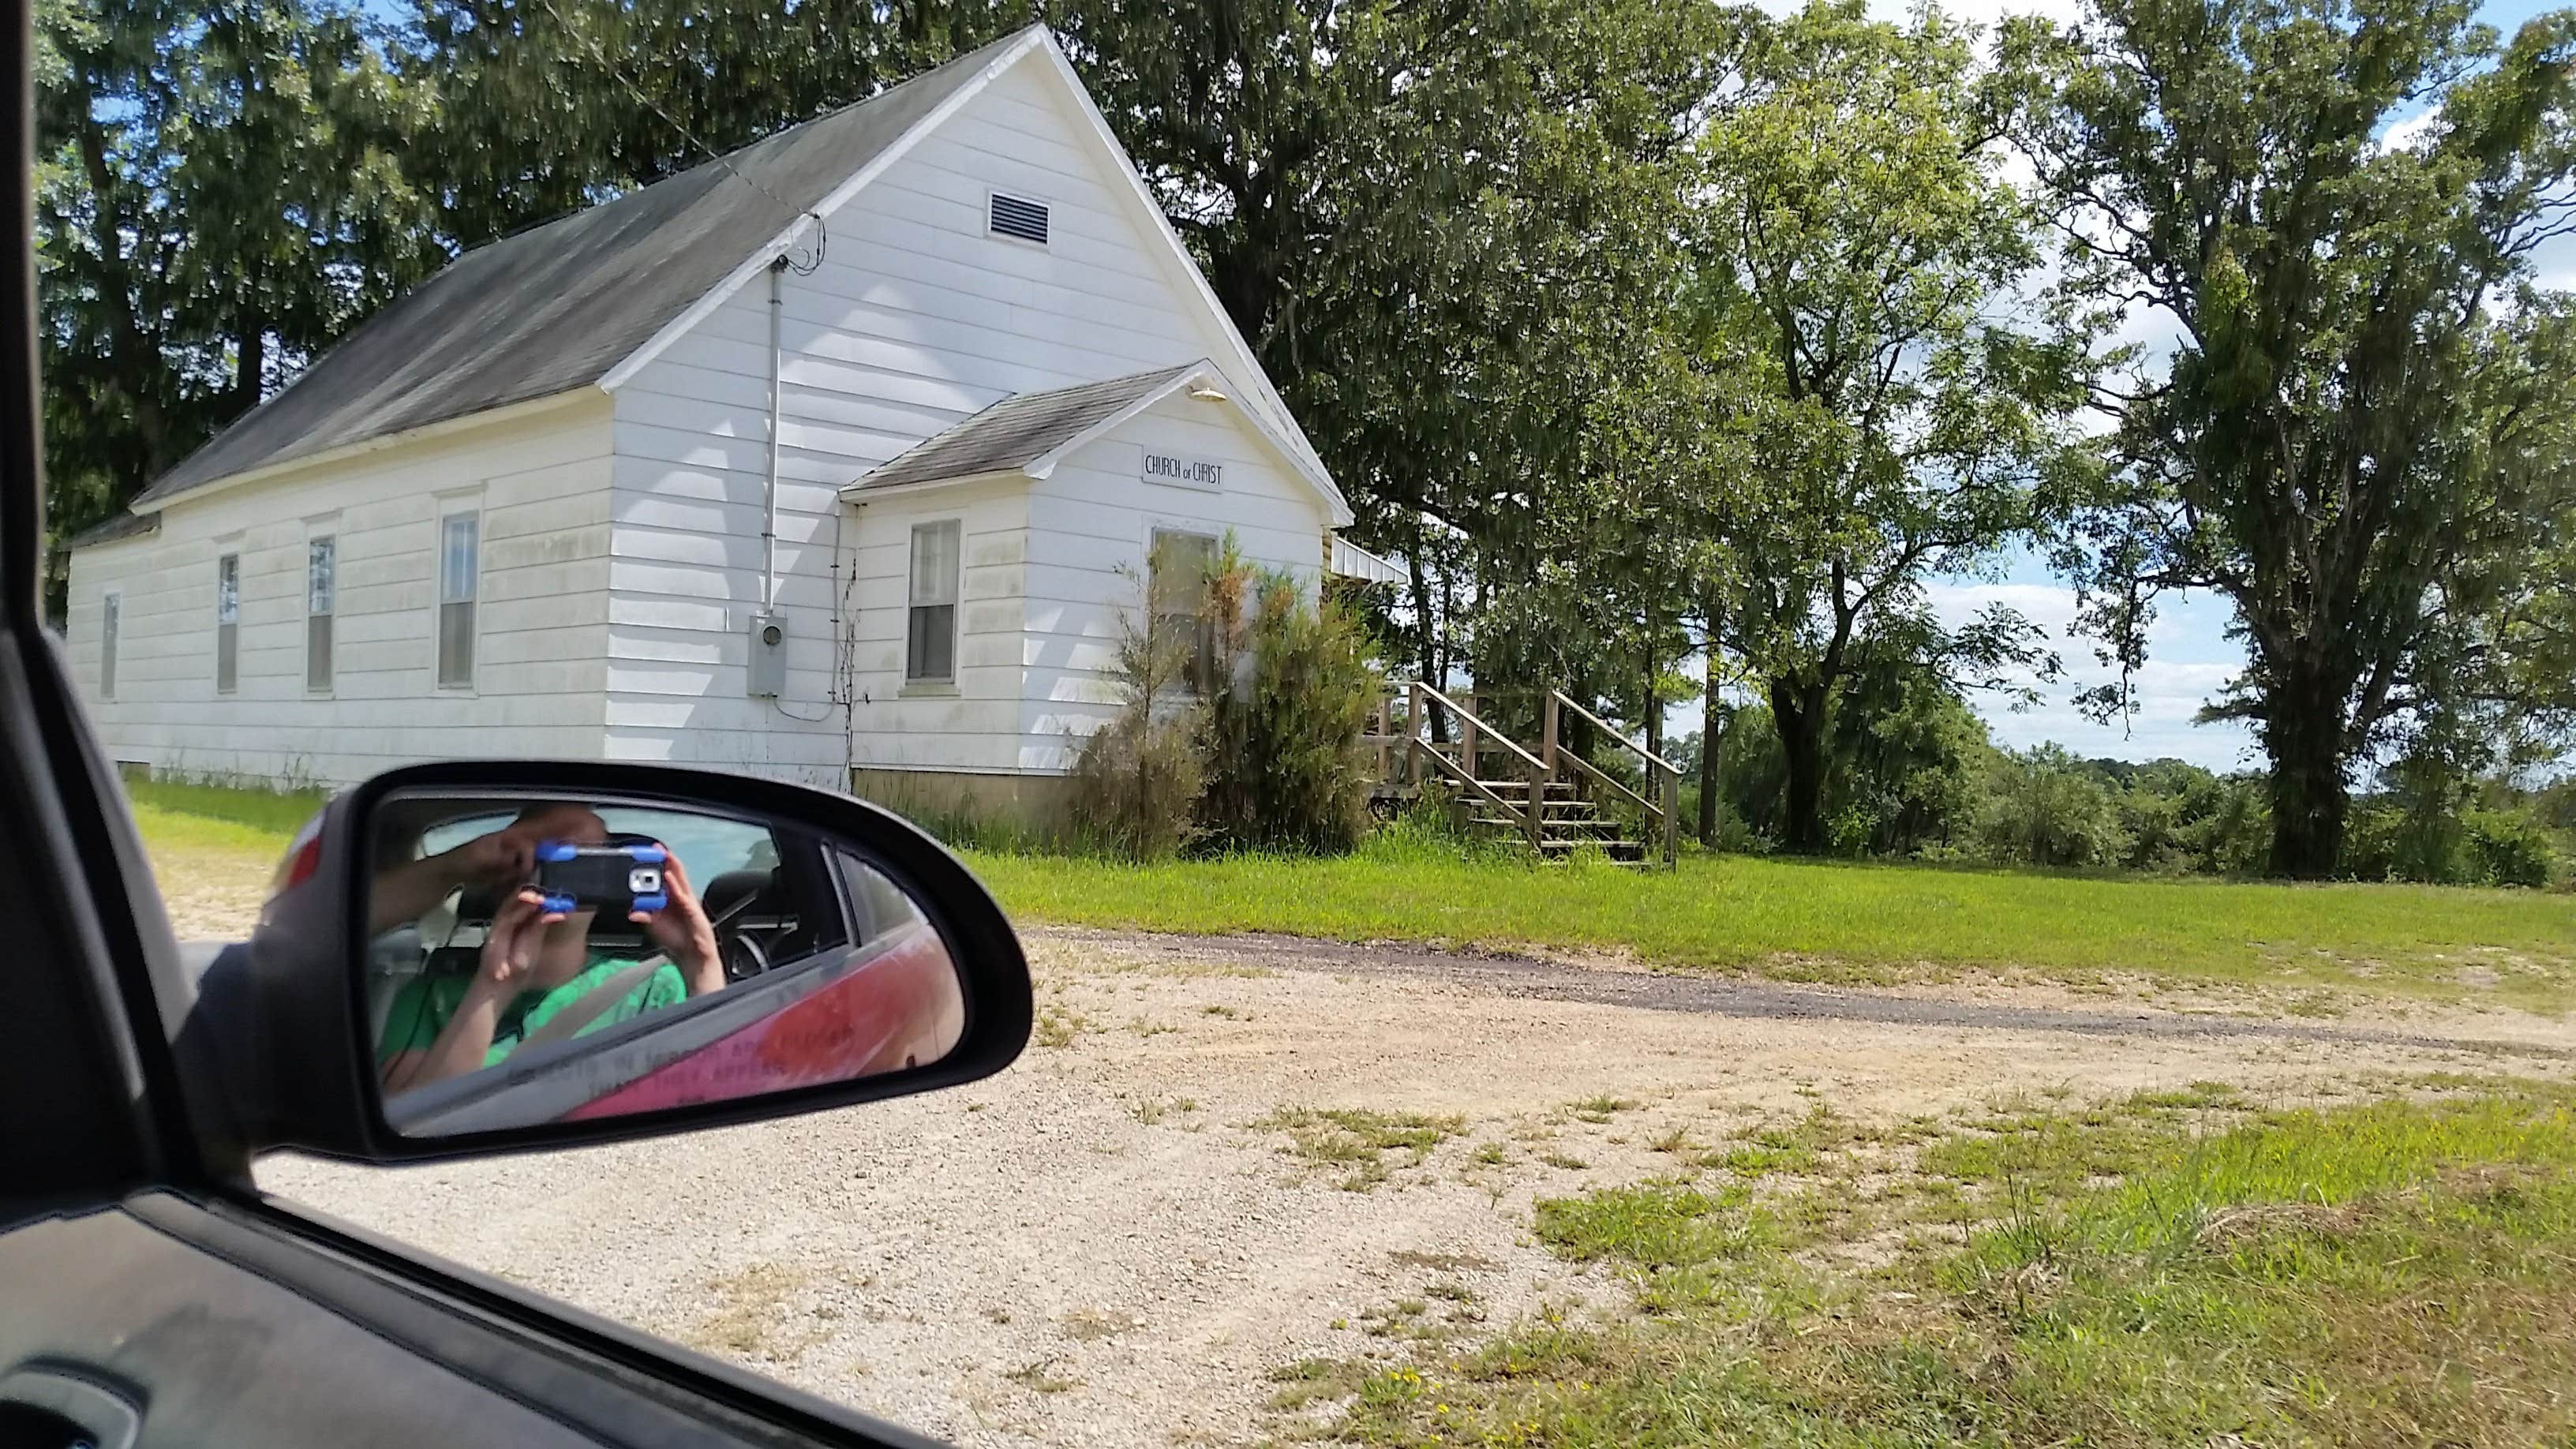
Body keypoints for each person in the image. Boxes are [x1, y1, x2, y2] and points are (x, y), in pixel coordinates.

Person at [376, 804, 723, 1094]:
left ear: (611, 885)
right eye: (552, 859)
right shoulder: (426, 997)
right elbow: (413, 1122)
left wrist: (701, 966)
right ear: (504, 880)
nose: (565, 875)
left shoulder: (653, 986)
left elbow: (700, 1095)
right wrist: (492, 988)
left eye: (584, 861)